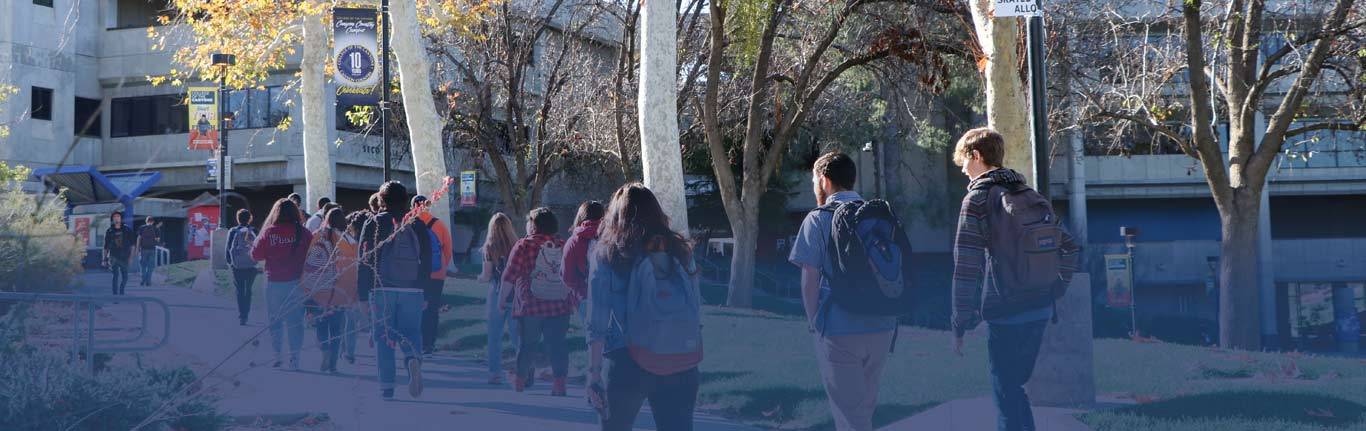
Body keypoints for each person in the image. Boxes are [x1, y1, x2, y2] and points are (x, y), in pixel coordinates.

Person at [950, 127, 1080, 431]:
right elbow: (1070, 246)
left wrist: (959, 323)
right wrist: (1056, 289)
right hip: (1040, 309)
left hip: (1005, 312)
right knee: (1015, 389)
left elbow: (966, 266)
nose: (964, 172)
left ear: (976, 156)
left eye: (964, 164)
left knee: (1007, 393)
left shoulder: (977, 199)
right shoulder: (1031, 195)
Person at [788, 151, 897, 431]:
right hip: (883, 324)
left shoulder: (818, 218)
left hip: (839, 327)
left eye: (815, 180)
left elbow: (809, 276)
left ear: (824, 181)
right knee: (865, 409)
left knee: (850, 417)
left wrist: (814, 321)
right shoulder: (878, 214)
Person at [586, 183, 702, 431]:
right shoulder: (680, 250)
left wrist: (594, 374)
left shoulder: (606, 253)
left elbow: (597, 321)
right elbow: (694, 305)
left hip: (626, 359)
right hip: (679, 360)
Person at [358, 181, 429, 400]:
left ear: (382, 200)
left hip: (381, 289)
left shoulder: (374, 223)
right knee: (412, 333)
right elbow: (427, 259)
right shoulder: (417, 223)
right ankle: (412, 359)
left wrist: (362, 295)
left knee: (383, 336)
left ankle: (387, 387)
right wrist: (425, 291)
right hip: (413, 289)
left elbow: (364, 260)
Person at [500, 207, 572, 396]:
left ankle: (520, 382)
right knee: (557, 344)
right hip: (559, 304)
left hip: (530, 304)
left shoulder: (524, 245)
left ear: (533, 224)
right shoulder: (563, 244)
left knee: (528, 344)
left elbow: (509, 275)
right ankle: (560, 384)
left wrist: (501, 300)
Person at [251, 198, 314, 370]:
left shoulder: (270, 232)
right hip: (296, 284)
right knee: (295, 323)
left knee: (275, 321)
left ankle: (277, 355)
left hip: (273, 283)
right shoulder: (305, 233)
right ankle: (295, 358)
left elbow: (255, 255)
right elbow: (313, 257)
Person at [302, 208, 357, 373]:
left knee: (321, 325)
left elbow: (310, 263)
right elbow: (354, 267)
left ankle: (324, 350)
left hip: (321, 289)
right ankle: (333, 363)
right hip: (341, 291)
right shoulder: (349, 240)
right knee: (336, 329)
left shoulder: (318, 236)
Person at [480, 212, 521, 385]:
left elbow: (486, 275)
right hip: (516, 293)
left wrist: (478, 278)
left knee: (494, 336)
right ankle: (523, 371)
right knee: (517, 336)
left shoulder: (490, 247)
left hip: (497, 292)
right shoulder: (518, 245)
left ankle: (494, 373)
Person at [412, 195, 454, 356]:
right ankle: (429, 344)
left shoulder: (410, 224)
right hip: (437, 273)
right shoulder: (439, 225)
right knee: (432, 309)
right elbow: (448, 250)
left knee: (416, 308)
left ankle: (417, 341)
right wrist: (441, 266)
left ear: (413, 206)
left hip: (416, 273)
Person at [563, 200, 604, 324]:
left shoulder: (573, 241)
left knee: (593, 339)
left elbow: (566, 276)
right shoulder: (612, 235)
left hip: (585, 296)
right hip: (611, 295)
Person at [339, 211, 367, 365]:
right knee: (351, 320)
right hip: (361, 284)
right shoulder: (367, 243)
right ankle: (349, 351)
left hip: (346, 284)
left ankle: (344, 349)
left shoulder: (347, 242)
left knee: (346, 319)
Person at [226, 209, 259, 326]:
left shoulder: (233, 231)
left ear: (237, 218)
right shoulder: (254, 230)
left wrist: (230, 262)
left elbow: (228, 248)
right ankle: (247, 314)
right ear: (250, 218)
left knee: (240, 290)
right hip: (251, 265)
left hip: (237, 266)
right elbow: (257, 247)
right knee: (248, 290)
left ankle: (242, 316)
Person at [103, 211, 134, 296]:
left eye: (118, 216)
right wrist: (104, 259)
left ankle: (121, 290)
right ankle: (115, 295)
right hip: (113, 256)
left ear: (121, 218)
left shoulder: (127, 229)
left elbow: (132, 245)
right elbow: (106, 246)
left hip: (124, 256)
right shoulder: (109, 231)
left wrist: (131, 258)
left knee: (125, 277)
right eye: (114, 217)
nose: (116, 218)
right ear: (112, 219)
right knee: (115, 276)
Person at [135, 216, 161, 286]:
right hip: (152, 249)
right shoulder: (156, 228)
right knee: (150, 266)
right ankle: (148, 281)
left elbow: (138, 238)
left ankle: (143, 279)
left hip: (143, 249)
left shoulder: (141, 228)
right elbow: (158, 240)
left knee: (143, 266)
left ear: (146, 221)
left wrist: (137, 249)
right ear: (153, 222)